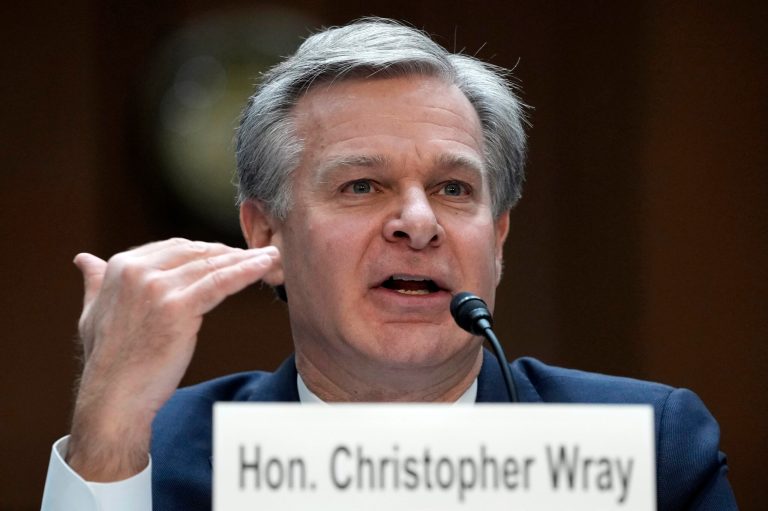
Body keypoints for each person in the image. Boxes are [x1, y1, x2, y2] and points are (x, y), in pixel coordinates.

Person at [41, 18, 737, 510]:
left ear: (497, 238)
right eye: (362, 186)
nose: (419, 222)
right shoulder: (155, 454)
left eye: (453, 189)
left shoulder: (644, 445)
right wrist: (108, 436)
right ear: (266, 235)